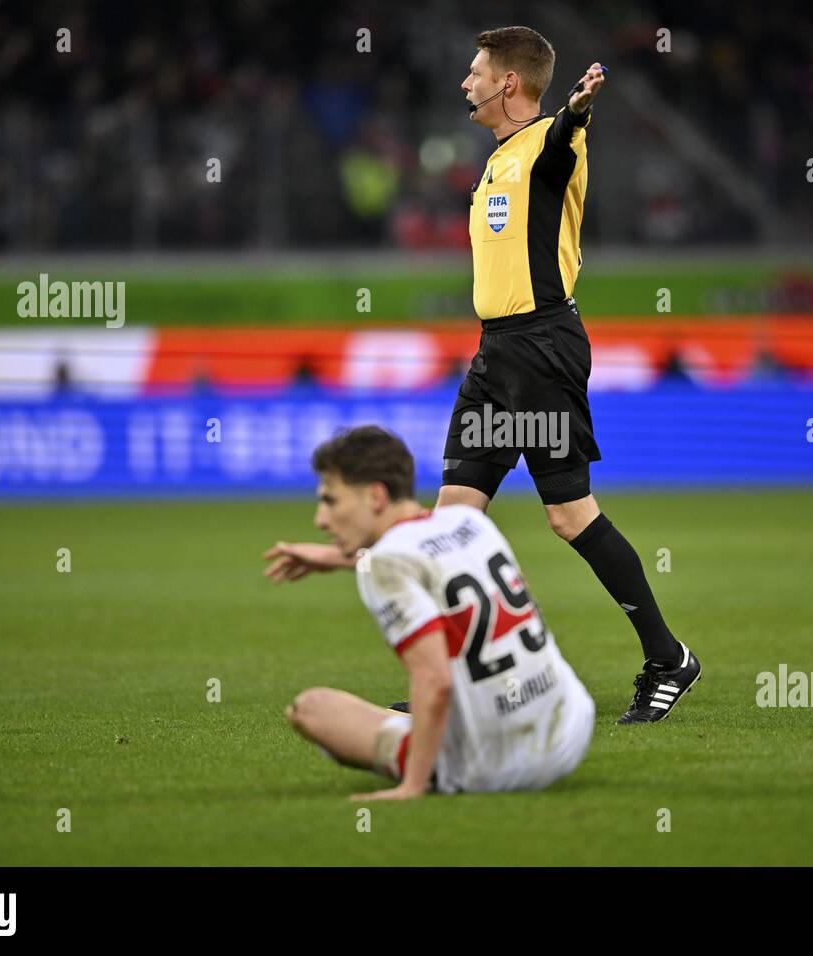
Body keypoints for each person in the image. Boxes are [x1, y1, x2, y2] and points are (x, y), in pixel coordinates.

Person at [268, 26, 700, 724]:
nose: (465, 82)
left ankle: (668, 658)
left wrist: (577, 110)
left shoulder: (550, 148)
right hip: (496, 356)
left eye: (476, 72)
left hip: (543, 348)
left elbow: (562, 141)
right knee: (452, 524)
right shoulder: (497, 160)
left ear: (508, 83)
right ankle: (451, 682)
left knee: (567, 515)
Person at [266, 425, 595, 799]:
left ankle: (423, 761)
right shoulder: (469, 522)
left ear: (375, 496)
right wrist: (335, 557)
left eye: (331, 500)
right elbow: (427, 559)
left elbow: (434, 681)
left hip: (495, 763)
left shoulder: (385, 564)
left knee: (312, 708)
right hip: (570, 727)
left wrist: (412, 787)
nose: (321, 519)